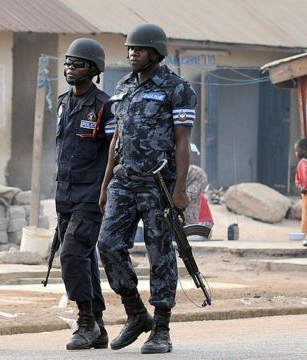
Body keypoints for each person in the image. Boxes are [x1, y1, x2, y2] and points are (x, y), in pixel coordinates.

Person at [97, 23, 196, 354]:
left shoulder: (176, 88)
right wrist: (106, 183)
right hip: (124, 182)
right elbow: (115, 140)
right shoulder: (123, 87)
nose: (131, 53)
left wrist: (180, 188)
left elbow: (183, 141)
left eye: (138, 49)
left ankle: (162, 327)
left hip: (159, 183)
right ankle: (136, 313)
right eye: (129, 49)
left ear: (156, 52)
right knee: (108, 245)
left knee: (160, 254)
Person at [54, 38, 114, 350]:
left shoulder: (105, 106)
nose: (69, 68)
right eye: (67, 63)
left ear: (92, 69)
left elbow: (114, 155)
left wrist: (104, 192)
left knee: (71, 254)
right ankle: (99, 326)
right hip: (65, 197)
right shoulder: (63, 103)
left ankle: (85, 322)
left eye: (76, 63)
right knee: (84, 258)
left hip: (92, 197)